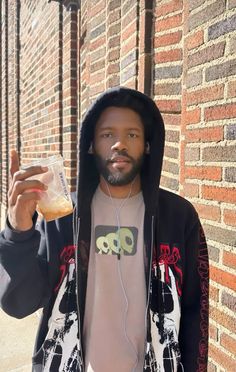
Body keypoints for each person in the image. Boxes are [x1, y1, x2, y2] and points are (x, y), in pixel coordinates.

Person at [0, 87, 209, 372]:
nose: (119, 144)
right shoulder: (62, 216)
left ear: (147, 144)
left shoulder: (179, 218)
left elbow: (196, 315)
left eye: (132, 134)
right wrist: (18, 233)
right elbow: (19, 303)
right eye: (107, 134)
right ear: (91, 145)